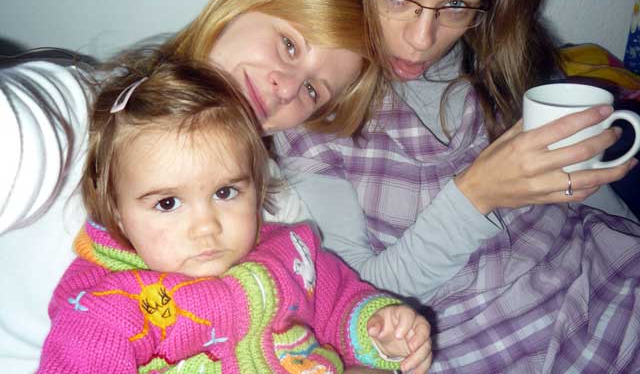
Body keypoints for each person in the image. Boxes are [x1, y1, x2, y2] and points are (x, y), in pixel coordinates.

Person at [274, 0, 640, 371]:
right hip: (472, 341)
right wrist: (475, 196)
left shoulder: (505, 62)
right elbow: (356, 296)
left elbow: (581, 193)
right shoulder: (312, 110)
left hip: (603, 279)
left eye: (456, 5)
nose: (422, 39)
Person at [0, 0, 383, 373]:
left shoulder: (278, 207)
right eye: (289, 45)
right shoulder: (74, 114)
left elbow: (333, 315)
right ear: (237, 7)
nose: (287, 88)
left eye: (312, 90)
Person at [36, 54, 432, 373]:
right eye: (168, 203)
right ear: (117, 213)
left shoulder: (293, 255)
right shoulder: (107, 305)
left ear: (256, 188)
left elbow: (342, 304)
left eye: (225, 192)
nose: (206, 226)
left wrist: (379, 328)